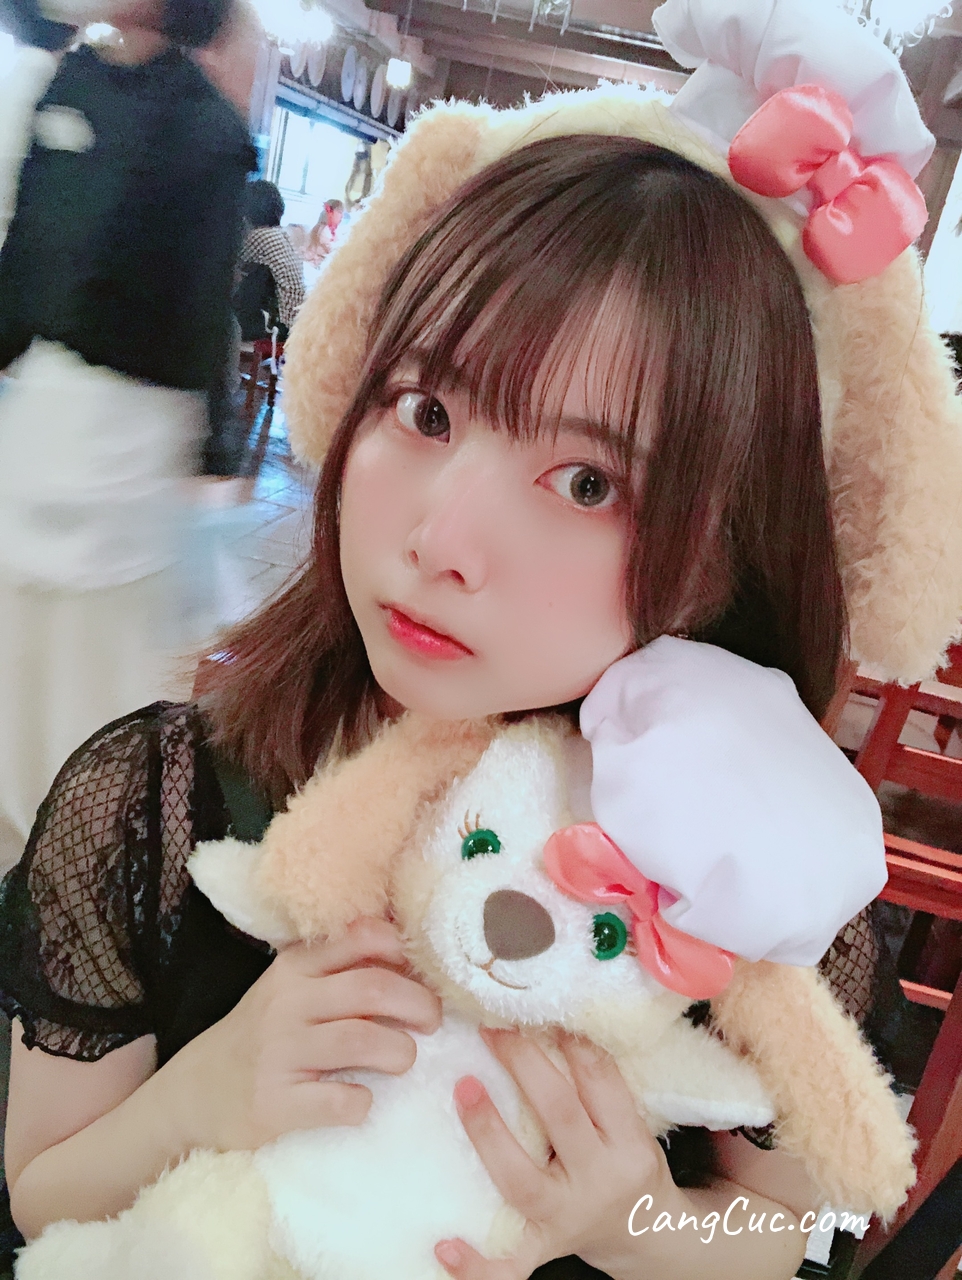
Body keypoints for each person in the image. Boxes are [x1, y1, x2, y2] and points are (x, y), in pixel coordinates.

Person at [2, 3, 961, 1279]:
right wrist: (205, 1093)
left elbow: (779, 1231)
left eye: (586, 482)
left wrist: (637, 1222)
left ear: (721, 555)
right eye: (426, 408)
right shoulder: (154, 802)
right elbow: (41, 1192)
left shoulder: (749, 881)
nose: (441, 537)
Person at [0, 0, 255, 868]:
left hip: (131, 440)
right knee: (18, 655)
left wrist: (215, 456)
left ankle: (75, 860)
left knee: (92, 677)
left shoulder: (209, 130)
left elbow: (203, 312)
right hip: (40, 422)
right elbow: (24, 262)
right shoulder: (64, 82)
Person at [234, 178, 305, 342]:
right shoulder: (281, 234)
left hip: (277, 326)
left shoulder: (258, 236)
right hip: (293, 322)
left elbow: (231, 265)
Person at [304, 196, 343, 265]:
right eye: (339, 212)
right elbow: (334, 252)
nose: (341, 216)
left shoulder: (327, 229)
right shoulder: (325, 230)